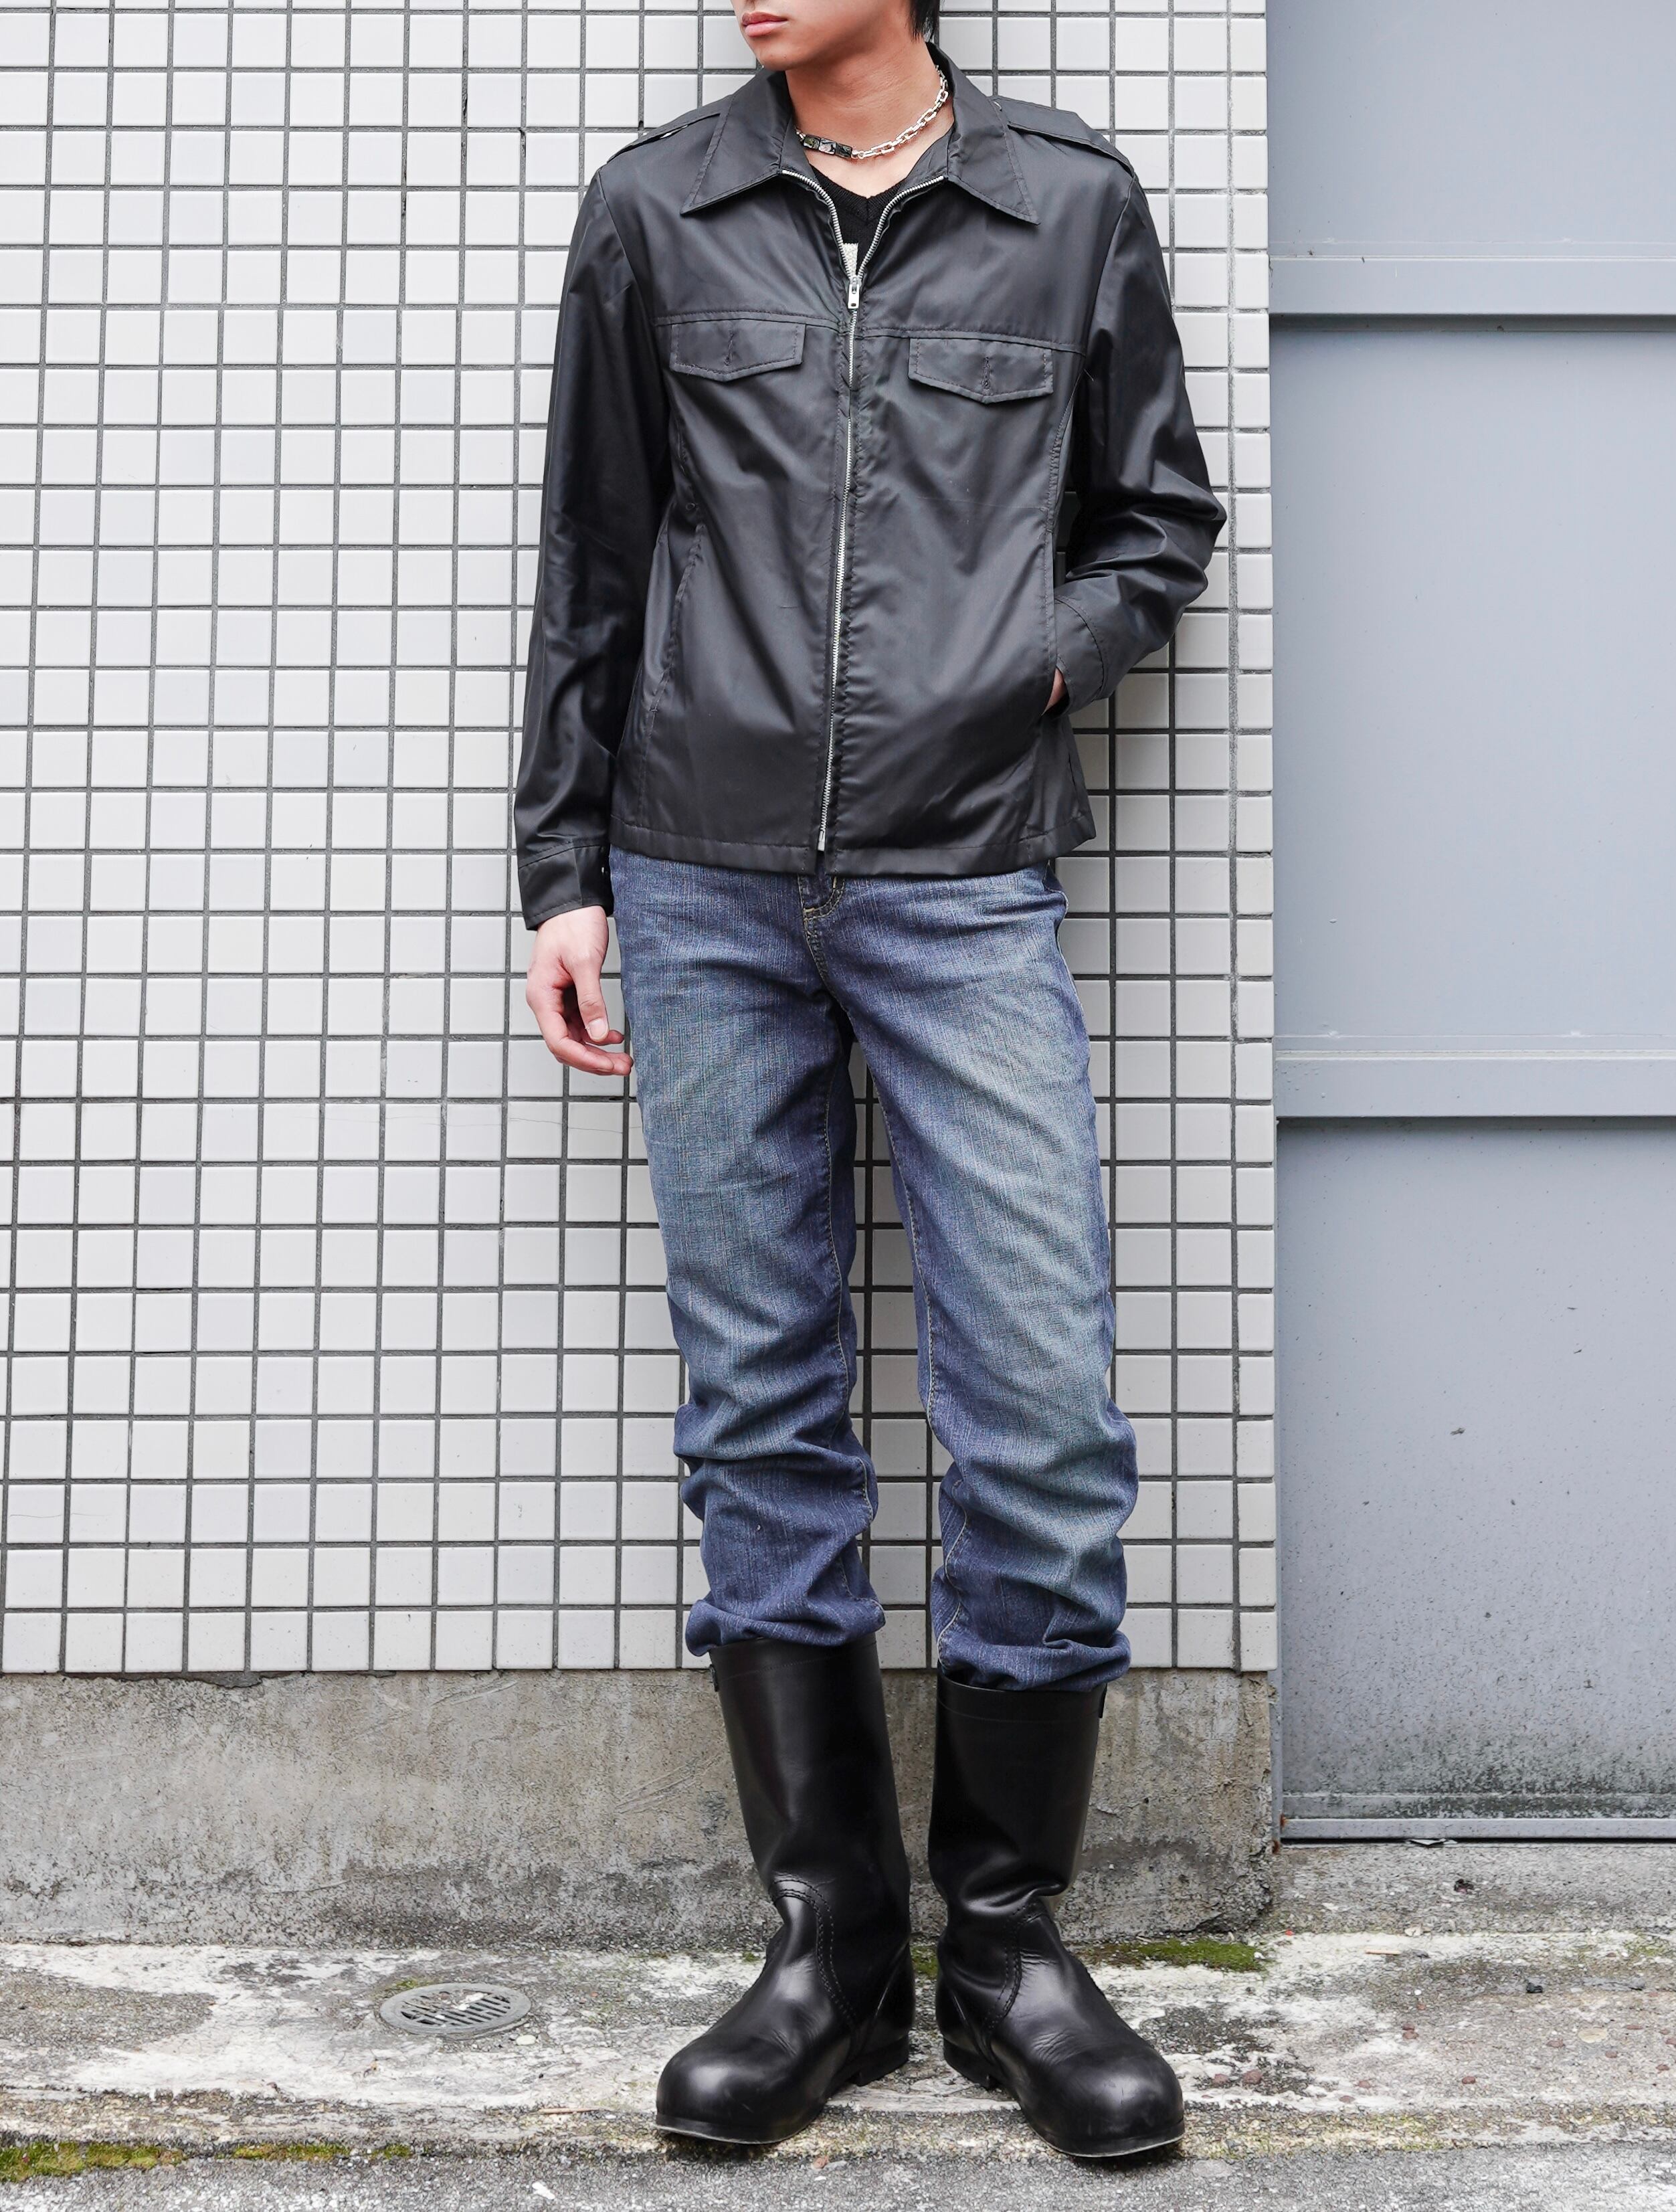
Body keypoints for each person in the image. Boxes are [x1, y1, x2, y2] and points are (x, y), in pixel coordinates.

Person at [513, 0, 1225, 2161]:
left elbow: (1157, 521)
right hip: (696, 877)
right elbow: (597, 560)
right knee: (760, 1410)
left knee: (1044, 1415)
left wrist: (1030, 666)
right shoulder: (657, 210)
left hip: (963, 878)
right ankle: (828, 1952)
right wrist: (565, 875)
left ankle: (1005, 1948)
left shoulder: (1066, 206)